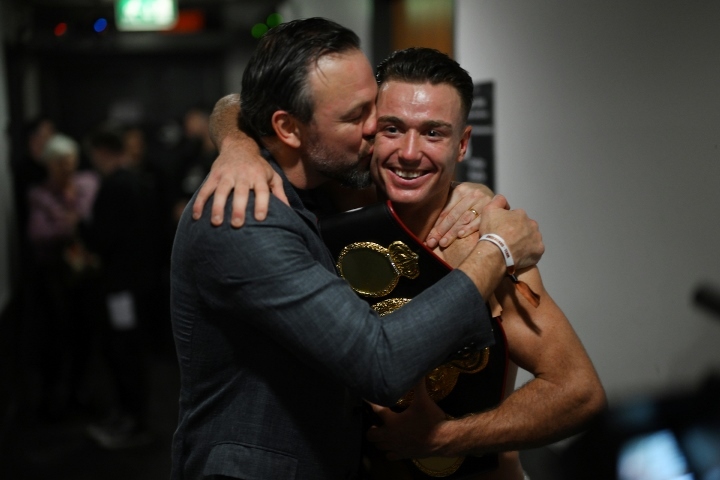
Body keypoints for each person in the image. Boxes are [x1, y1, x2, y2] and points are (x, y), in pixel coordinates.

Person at [170, 18, 544, 480]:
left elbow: (237, 106)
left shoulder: (314, 184)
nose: (375, 129)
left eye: (374, 107)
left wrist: (235, 139)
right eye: (355, 117)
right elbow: (380, 364)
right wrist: (497, 249)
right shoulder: (246, 218)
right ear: (288, 129)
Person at [355, 47, 605, 479]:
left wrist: (443, 439)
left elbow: (579, 393)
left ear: (462, 143)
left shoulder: (486, 245)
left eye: (433, 133)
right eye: (393, 128)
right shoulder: (339, 215)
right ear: (370, 131)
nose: (409, 152)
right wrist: (235, 140)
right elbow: (258, 113)